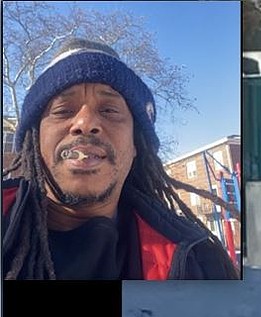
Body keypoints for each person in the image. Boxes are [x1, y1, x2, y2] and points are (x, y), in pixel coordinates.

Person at [2, 38, 239, 280]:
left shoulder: (199, 264)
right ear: (34, 140)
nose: (85, 123)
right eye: (63, 110)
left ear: (137, 143)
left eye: (109, 110)